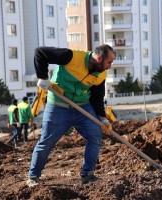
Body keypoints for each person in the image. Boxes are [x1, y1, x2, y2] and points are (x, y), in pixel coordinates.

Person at [26, 44, 115, 187]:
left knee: (95, 135)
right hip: (58, 107)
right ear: (98, 58)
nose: (109, 66)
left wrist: (102, 118)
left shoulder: (101, 74)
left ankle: (88, 175)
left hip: (82, 108)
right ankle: (33, 176)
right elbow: (40, 52)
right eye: (109, 62)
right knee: (46, 142)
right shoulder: (72, 57)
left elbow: (97, 97)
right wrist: (42, 77)